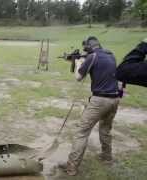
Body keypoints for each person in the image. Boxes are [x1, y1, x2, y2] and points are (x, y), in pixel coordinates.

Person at [59, 37, 120, 176]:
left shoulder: (91, 57)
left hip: (100, 100)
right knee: (105, 129)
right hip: (115, 99)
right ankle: (107, 158)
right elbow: (100, 67)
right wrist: (76, 60)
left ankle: (71, 167)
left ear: (89, 47)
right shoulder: (111, 55)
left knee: (81, 132)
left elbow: (78, 77)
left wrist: (79, 63)